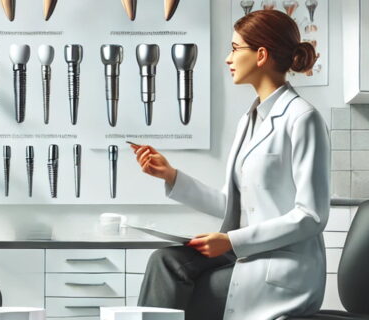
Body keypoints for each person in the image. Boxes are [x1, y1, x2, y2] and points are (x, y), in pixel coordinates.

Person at [131, 10, 330, 320]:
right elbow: (231, 204)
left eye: (236, 49)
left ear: (261, 55)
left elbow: (311, 216)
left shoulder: (303, 119)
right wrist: (169, 175)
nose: (228, 58)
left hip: (283, 271)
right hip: (247, 255)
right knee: (164, 261)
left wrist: (231, 240)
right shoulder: (249, 120)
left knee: (189, 291)